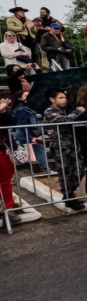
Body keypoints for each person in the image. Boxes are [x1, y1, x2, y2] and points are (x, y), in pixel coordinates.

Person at [43, 88, 86, 210]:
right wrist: (78, 111)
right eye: (61, 98)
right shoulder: (49, 111)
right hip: (60, 146)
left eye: (65, 98)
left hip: (72, 144)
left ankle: (70, 192)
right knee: (65, 172)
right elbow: (65, 121)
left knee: (79, 169)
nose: (64, 100)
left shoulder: (64, 110)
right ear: (52, 99)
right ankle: (69, 196)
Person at [10, 90, 52, 175]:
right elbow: (21, 124)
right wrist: (30, 138)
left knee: (30, 152)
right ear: (20, 98)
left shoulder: (25, 107)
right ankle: (45, 170)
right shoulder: (21, 109)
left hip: (27, 132)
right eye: (26, 96)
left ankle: (44, 170)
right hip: (24, 133)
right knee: (37, 150)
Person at [0, 96, 17, 224]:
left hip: (2, 150)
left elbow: (11, 123)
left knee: (6, 181)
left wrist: (4, 112)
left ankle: (8, 208)